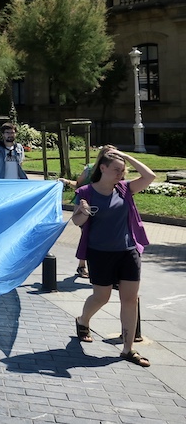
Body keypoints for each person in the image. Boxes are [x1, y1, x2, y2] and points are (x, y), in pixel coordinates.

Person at [72, 150, 155, 368]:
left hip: (128, 252)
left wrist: (126, 156)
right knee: (102, 297)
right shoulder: (86, 192)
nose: (121, 172)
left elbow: (149, 176)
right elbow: (77, 222)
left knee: (130, 299)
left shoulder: (125, 188)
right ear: (103, 168)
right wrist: (84, 212)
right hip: (99, 253)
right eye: (117, 169)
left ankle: (128, 349)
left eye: (123, 169)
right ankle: (82, 321)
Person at [62, 145, 117, 278]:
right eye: (109, 155)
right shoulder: (90, 169)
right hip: (87, 205)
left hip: (106, 207)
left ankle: (107, 268)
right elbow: (78, 184)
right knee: (87, 235)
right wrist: (66, 181)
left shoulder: (116, 169)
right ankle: (82, 265)